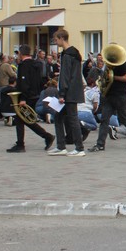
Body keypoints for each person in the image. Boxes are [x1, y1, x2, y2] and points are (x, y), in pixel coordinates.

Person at [89, 46, 126, 152]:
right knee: (104, 120)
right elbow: (105, 76)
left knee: (124, 119)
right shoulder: (108, 64)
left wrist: (113, 77)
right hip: (109, 95)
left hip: (119, 95)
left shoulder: (124, 64)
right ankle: (100, 144)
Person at [6, 45, 55, 153]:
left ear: (21, 54)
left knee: (22, 119)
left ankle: (22, 144)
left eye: (18, 53)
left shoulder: (24, 65)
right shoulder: (37, 64)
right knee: (26, 120)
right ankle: (46, 137)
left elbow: (24, 83)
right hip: (34, 95)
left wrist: (23, 98)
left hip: (26, 96)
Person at [48, 29, 87, 157]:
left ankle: (79, 148)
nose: (55, 42)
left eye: (56, 39)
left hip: (69, 92)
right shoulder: (74, 53)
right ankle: (61, 146)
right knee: (59, 117)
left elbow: (65, 75)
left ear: (61, 38)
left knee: (73, 119)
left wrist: (62, 94)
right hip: (74, 89)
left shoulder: (67, 54)